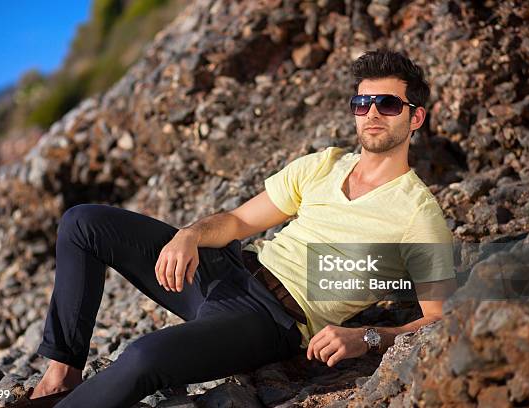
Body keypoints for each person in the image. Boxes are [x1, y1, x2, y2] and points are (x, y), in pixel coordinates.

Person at [25, 49, 456, 408]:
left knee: (141, 357)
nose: (371, 114)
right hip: (228, 270)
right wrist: (189, 234)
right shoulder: (324, 164)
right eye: (363, 104)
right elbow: (238, 221)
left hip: (269, 320)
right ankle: (62, 375)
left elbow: (436, 317)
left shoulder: (417, 213)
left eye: (388, 104)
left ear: (415, 118)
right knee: (83, 222)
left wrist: (364, 337)